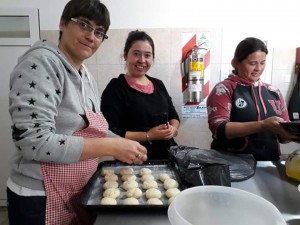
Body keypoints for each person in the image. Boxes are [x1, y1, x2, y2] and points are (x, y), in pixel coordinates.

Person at [7, 1, 147, 224]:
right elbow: (34, 141)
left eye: (99, 32)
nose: (91, 36)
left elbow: (92, 130)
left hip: (73, 190)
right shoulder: (41, 63)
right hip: (38, 198)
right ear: (62, 24)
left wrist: (122, 144)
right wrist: (111, 146)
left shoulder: (85, 75)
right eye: (84, 24)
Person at [207, 37, 297, 161]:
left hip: (268, 164)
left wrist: (292, 135)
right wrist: (262, 125)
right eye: (252, 63)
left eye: (262, 62)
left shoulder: (273, 92)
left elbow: (283, 137)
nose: (258, 69)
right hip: (232, 165)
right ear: (236, 62)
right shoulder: (224, 89)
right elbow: (219, 130)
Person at [100, 30, 180, 160]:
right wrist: (148, 135)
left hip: (167, 158)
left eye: (147, 55)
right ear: (126, 55)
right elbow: (109, 131)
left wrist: (173, 129)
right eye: (136, 54)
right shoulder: (115, 88)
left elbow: (173, 115)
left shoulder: (158, 84)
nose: (142, 60)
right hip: (133, 158)